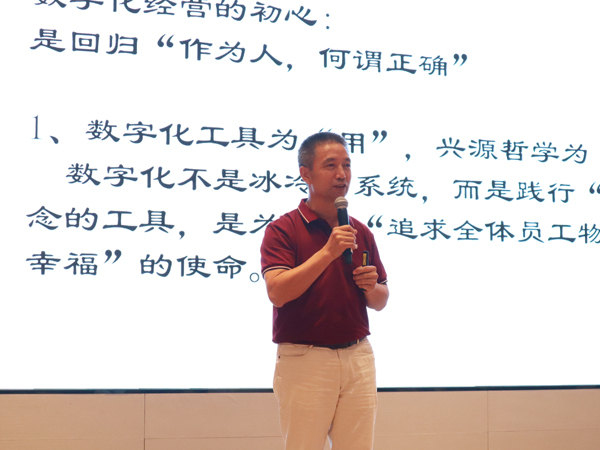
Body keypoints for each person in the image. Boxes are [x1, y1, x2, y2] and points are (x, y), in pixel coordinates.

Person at [260, 131, 389, 450]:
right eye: (331, 165)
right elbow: (278, 292)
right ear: (305, 174)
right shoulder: (283, 229)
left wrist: (371, 287)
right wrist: (328, 252)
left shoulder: (359, 230)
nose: (342, 174)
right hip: (306, 358)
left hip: (358, 356)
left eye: (347, 165)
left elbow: (381, 299)